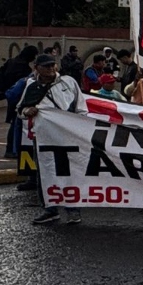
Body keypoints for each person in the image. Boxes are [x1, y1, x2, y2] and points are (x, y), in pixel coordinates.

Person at [20, 54, 88, 225]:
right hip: (43, 138)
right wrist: (26, 112)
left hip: (67, 137)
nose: (50, 69)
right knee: (46, 172)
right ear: (37, 68)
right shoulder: (31, 85)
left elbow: (81, 108)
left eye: (52, 65)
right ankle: (50, 209)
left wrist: (77, 128)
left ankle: (73, 209)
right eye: (46, 66)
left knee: (69, 173)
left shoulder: (68, 82)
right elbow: (20, 108)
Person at [0, 46, 39, 160]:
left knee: (14, 124)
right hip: (19, 99)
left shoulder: (12, 62)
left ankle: (11, 149)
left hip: (12, 96)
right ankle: (13, 149)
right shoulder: (23, 67)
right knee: (16, 125)